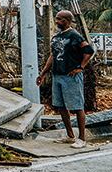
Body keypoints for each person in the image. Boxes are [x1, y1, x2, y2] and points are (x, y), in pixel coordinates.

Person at [38, 10, 94, 149]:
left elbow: (89, 51)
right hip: (57, 74)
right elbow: (53, 55)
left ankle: (82, 138)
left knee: (77, 106)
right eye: (56, 19)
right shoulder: (56, 37)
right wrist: (43, 73)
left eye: (60, 19)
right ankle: (70, 135)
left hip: (71, 76)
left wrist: (81, 67)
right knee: (61, 106)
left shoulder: (74, 35)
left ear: (67, 21)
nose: (57, 21)